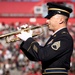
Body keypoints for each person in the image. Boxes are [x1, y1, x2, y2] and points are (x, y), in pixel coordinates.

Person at [16, 2, 73, 75]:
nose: (47, 21)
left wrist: (28, 39)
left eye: (50, 18)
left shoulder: (64, 38)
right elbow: (36, 57)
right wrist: (25, 41)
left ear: (60, 20)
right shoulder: (56, 37)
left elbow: (43, 55)